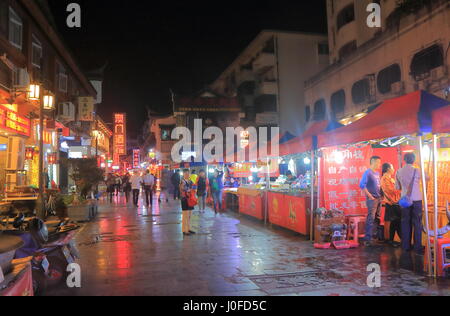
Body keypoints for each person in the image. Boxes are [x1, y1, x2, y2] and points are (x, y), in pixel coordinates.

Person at [396, 153, 425, 254]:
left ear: (404, 160)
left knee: (405, 222)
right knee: (417, 223)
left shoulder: (399, 171)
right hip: (416, 199)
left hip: (404, 200)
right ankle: (417, 247)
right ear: (414, 160)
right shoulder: (417, 170)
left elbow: (397, 187)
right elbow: (428, 178)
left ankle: (406, 246)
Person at [360, 156, 383, 246]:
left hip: (378, 198)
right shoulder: (367, 172)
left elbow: (378, 185)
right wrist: (369, 196)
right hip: (372, 199)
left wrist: (381, 196)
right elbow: (362, 185)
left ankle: (375, 237)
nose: (379, 164)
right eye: (378, 162)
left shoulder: (377, 173)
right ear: (373, 162)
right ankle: (367, 239)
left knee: (377, 218)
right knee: (371, 218)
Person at [381, 163, 402, 247]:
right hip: (392, 204)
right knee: (395, 223)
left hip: (395, 203)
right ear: (388, 168)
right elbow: (391, 191)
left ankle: (393, 240)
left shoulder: (390, 178)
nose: (393, 169)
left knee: (395, 223)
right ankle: (391, 240)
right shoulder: (385, 179)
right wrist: (401, 188)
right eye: (392, 167)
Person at [180, 169, 195, 236]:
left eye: (188, 173)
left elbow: (193, 188)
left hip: (190, 199)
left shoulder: (190, 181)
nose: (187, 174)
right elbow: (181, 189)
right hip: (184, 199)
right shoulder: (182, 181)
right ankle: (184, 230)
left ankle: (188, 228)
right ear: (183, 174)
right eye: (185, 173)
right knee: (185, 215)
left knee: (189, 215)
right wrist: (188, 190)